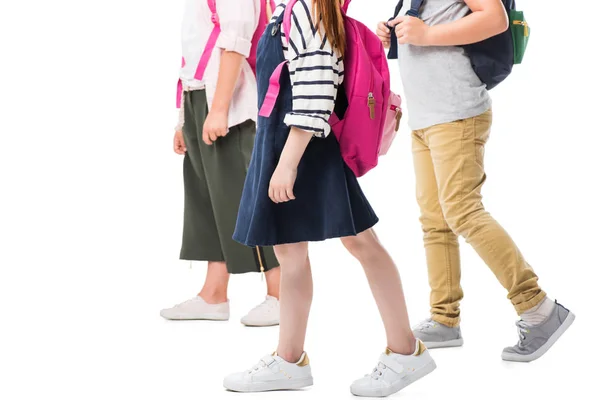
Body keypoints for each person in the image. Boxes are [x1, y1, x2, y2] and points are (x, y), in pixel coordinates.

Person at [223, 0, 436, 396]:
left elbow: (316, 89)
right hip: (286, 142)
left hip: (302, 146)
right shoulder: (291, 9)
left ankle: (405, 350)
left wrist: (287, 163)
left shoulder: (308, 8)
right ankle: (289, 361)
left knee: (359, 240)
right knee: (292, 251)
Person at [376, 0, 574, 361]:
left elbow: (495, 18)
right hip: (426, 117)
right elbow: (430, 22)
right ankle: (444, 319)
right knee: (435, 222)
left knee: (463, 212)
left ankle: (539, 308)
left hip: (456, 112)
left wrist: (427, 34)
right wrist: (394, 33)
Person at [160, 0, 281, 327]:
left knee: (245, 195)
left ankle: (282, 295)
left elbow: (236, 41)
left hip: (228, 100)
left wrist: (219, 109)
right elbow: (197, 47)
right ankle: (214, 294)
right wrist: (183, 118)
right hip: (200, 97)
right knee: (209, 197)